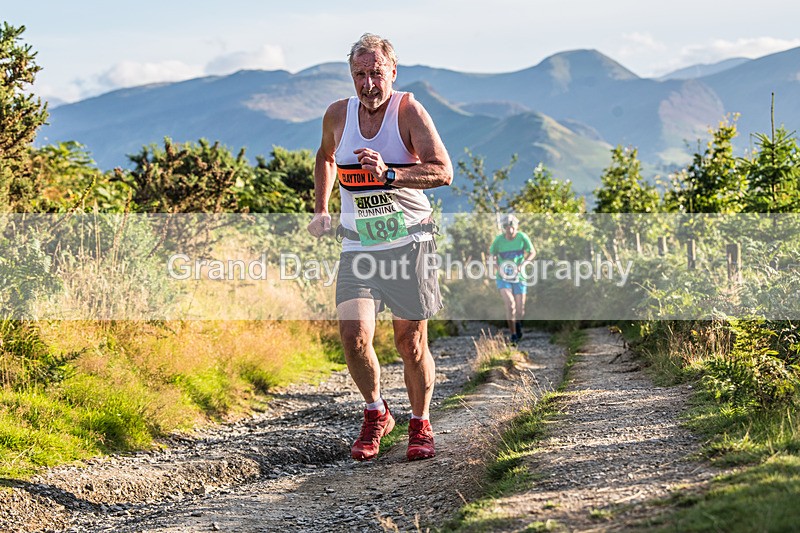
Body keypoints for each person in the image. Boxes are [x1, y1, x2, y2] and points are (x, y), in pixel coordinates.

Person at [307, 33, 453, 461]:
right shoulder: (338, 114)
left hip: (410, 241)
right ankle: (376, 412)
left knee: (410, 342)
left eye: (376, 74)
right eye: (359, 74)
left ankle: (421, 423)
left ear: (392, 71)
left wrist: (390, 175)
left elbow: (442, 171)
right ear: (350, 75)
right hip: (360, 245)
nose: (368, 84)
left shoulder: (408, 111)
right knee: (353, 336)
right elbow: (326, 156)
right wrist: (321, 209)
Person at [489, 214, 536, 343]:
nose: (510, 231)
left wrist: (524, 264)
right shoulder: (499, 240)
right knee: (510, 305)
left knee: (520, 309)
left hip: (519, 276)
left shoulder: (522, 237)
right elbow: (492, 254)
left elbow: (532, 252)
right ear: (504, 228)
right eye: (507, 228)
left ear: (516, 227)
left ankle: (518, 324)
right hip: (503, 277)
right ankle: (513, 334)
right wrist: (497, 267)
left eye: (512, 227)